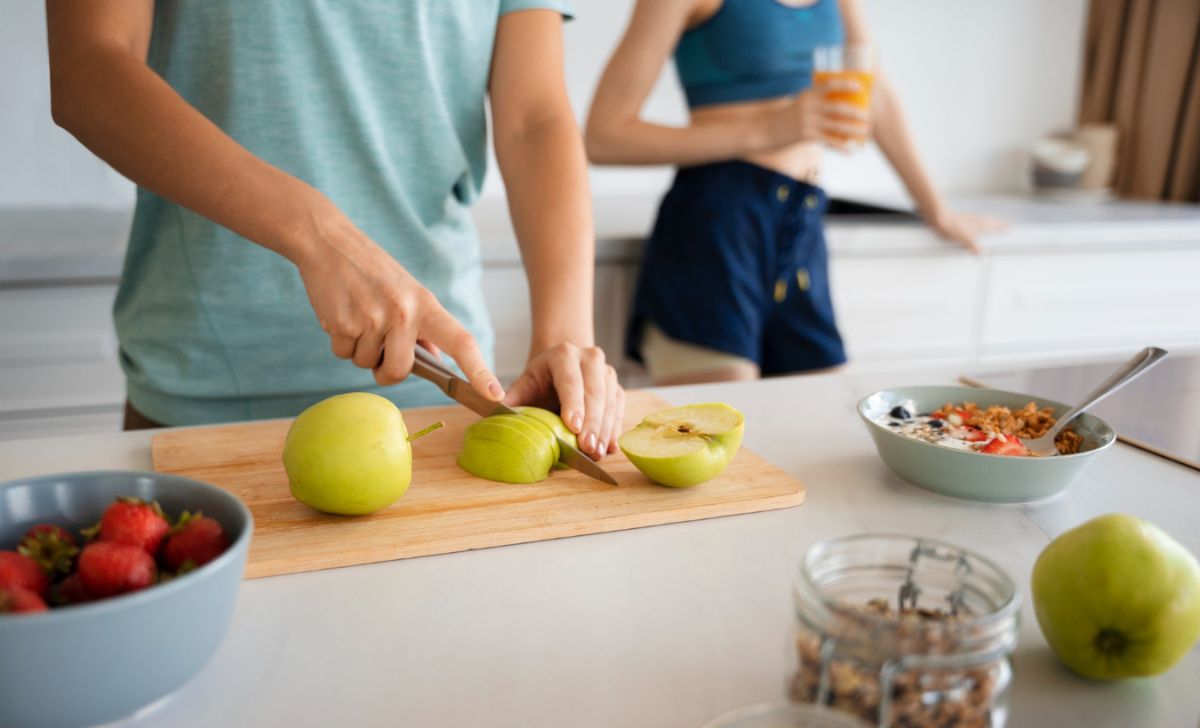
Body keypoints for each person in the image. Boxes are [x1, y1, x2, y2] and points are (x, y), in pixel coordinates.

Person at [45, 0, 624, 460]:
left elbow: (535, 120)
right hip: (201, 399)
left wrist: (564, 337)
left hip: (440, 399)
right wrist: (316, 234)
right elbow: (90, 67)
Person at [585, 0, 1005, 385]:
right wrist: (769, 129)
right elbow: (604, 136)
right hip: (715, 226)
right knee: (722, 434)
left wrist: (936, 209)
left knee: (819, 419)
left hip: (801, 224)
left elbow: (873, 89)